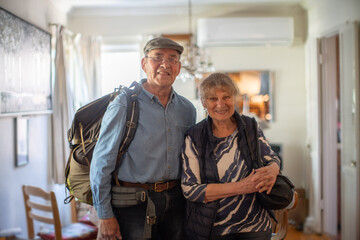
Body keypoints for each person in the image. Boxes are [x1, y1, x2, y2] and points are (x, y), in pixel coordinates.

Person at [90, 37, 196, 240]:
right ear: (144, 63)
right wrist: (104, 215)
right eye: (157, 57)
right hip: (133, 204)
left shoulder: (187, 109)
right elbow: (101, 163)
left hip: (176, 202)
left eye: (172, 59)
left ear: (179, 67)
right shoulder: (124, 105)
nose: (165, 64)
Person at [181, 72, 281, 240]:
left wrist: (273, 169)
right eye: (213, 99)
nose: (221, 104)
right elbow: (190, 190)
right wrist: (243, 187)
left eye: (226, 97)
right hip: (214, 228)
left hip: (256, 226)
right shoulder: (194, 136)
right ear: (204, 103)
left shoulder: (250, 126)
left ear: (234, 99)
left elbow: (271, 157)